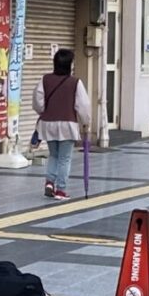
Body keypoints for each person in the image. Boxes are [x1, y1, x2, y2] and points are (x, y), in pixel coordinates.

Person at [32, 48, 92, 200]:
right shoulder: (75, 83)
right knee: (65, 158)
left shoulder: (45, 79)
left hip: (48, 124)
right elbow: (83, 106)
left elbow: (37, 103)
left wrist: (45, 111)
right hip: (68, 125)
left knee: (53, 155)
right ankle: (61, 189)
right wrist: (86, 123)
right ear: (69, 65)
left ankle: (50, 182)